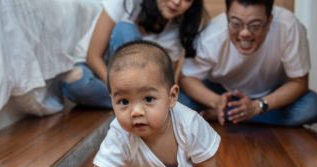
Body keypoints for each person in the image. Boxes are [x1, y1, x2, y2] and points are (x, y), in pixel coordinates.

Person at [87, 40, 221, 167]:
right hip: (137, 165)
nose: (136, 112)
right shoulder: (119, 132)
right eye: (124, 102)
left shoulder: (190, 124)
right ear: (111, 101)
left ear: (171, 97)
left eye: (148, 99)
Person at [178, 0, 317, 127]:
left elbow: (299, 82)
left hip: (270, 97)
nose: (244, 33)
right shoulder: (212, 35)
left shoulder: (288, 26)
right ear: (227, 16)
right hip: (221, 92)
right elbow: (187, 79)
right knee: (179, 102)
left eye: (255, 26)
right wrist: (216, 102)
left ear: (269, 21)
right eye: (235, 24)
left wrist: (257, 106)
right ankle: (233, 112)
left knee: (312, 107)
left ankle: (227, 115)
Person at [61, 0, 208, 109]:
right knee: (75, 82)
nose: (176, 2)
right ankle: (132, 104)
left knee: (183, 103)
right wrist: (123, 91)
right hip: (98, 72)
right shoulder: (126, 3)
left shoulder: (176, 29)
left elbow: (165, 79)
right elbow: (93, 57)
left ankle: (126, 105)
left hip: (136, 84)